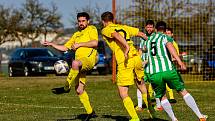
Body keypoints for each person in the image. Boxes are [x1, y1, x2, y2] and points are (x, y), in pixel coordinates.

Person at [144, 21, 207, 121]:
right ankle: (200, 116)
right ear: (165, 30)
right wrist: (180, 62)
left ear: (155, 29)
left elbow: (145, 53)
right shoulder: (165, 37)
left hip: (154, 73)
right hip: (168, 70)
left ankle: (174, 119)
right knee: (182, 91)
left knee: (162, 96)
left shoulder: (148, 40)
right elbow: (170, 47)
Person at [42, 12, 98, 121]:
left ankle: (66, 88)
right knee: (79, 90)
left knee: (75, 63)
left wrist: (79, 45)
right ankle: (90, 112)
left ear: (88, 21)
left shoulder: (92, 29)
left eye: (83, 21)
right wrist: (52, 44)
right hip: (80, 63)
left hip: (88, 60)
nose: (81, 23)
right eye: (79, 21)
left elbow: (95, 43)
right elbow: (65, 47)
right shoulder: (76, 35)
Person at [101, 11, 154, 121]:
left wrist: (126, 47)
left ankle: (135, 118)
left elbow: (116, 35)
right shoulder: (123, 27)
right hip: (136, 59)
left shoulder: (105, 29)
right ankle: (152, 113)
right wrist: (150, 41)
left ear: (103, 21)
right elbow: (141, 34)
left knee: (123, 92)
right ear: (112, 19)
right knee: (141, 85)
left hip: (126, 61)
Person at [136, 20, 156, 111]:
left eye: (151, 27)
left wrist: (148, 60)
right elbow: (140, 50)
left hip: (153, 64)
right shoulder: (142, 37)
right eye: (147, 27)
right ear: (145, 27)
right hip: (143, 64)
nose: (149, 29)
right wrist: (139, 61)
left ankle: (158, 105)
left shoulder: (156, 37)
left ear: (154, 28)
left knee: (155, 84)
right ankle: (140, 106)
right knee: (140, 83)